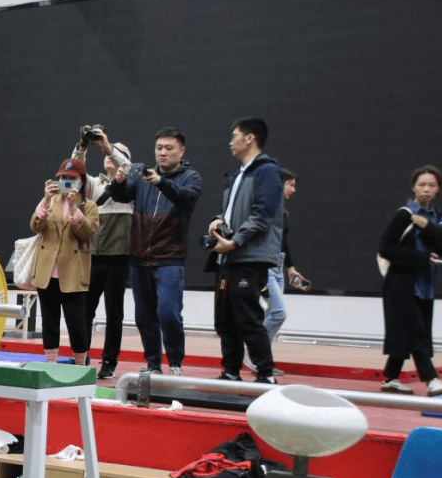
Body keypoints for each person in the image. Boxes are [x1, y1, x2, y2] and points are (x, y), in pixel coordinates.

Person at [108, 127, 202, 375]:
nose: (162, 152)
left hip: (170, 258)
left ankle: (175, 363)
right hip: (139, 259)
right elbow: (120, 195)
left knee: (168, 312)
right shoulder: (141, 177)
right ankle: (153, 364)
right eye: (159, 148)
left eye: (169, 148)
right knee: (144, 317)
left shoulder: (191, 177)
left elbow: (185, 198)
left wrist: (161, 182)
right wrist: (118, 181)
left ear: (181, 151)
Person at [207, 117, 284, 385]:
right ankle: (230, 371)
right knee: (224, 319)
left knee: (247, 317)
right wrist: (219, 220)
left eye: (234, 136)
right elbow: (235, 213)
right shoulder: (240, 174)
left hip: (250, 256)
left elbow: (262, 215)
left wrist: (235, 241)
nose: (230, 142)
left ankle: (265, 374)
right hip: (229, 256)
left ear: (249, 138)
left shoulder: (267, 171)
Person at [378, 165, 442, 396]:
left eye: (431, 185)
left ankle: (390, 378)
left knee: (407, 332)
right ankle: (431, 380)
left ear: (438, 189)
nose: (426, 189)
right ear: (413, 187)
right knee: (417, 333)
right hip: (401, 283)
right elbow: (386, 248)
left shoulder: (437, 218)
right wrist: (421, 257)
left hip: (425, 285)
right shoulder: (404, 214)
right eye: (421, 184)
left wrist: (427, 226)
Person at [71, 126, 133, 379]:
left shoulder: (130, 189)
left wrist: (109, 146)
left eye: (117, 154)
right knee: (85, 310)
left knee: (114, 313)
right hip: (91, 256)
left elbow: (129, 165)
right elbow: (72, 174)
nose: (111, 156)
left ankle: (109, 361)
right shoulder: (94, 185)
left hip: (118, 259)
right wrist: (82, 146)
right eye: (108, 153)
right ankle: (81, 357)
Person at [28, 157, 99, 365]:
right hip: (47, 271)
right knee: (49, 321)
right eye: (63, 178)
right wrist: (46, 201)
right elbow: (35, 226)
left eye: (72, 178)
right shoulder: (50, 201)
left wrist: (74, 208)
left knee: (77, 323)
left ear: (82, 181)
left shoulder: (89, 206)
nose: (66, 182)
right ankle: (51, 363)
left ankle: (80, 366)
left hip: (73, 272)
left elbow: (87, 233)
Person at [246, 169, 310, 375]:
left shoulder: (281, 211)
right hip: (266, 266)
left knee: (271, 313)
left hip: (279, 266)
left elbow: (283, 243)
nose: (293, 190)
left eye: (294, 186)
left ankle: (263, 359)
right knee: (278, 313)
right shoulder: (266, 209)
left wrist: (290, 268)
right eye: (289, 184)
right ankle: (254, 355)